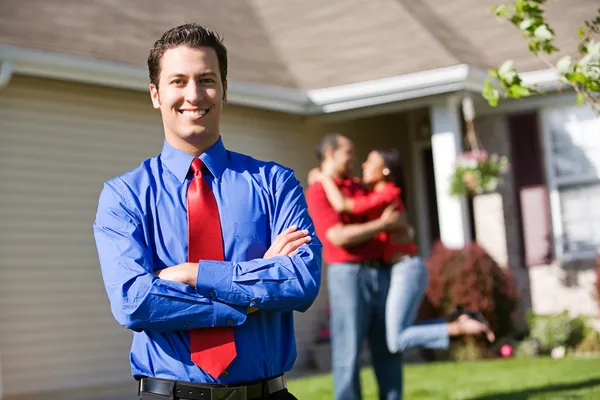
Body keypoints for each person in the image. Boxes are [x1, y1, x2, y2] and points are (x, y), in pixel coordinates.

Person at [93, 23, 321, 400]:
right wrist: (244, 301)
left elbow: (300, 280)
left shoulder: (275, 183)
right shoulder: (125, 196)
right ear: (155, 94)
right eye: (178, 81)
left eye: (206, 80)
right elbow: (134, 301)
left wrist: (193, 274)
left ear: (225, 90)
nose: (193, 94)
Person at [311, 147, 495, 396]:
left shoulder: (388, 192)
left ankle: (459, 326)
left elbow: (347, 206)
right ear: (330, 154)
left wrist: (323, 179)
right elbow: (339, 231)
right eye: (351, 153)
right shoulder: (368, 190)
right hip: (394, 269)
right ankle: (457, 324)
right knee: (390, 339)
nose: (362, 163)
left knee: (394, 340)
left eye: (369, 160)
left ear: (385, 170)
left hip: (403, 269)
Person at [306, 134, 406, 400]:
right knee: (347, 352)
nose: (354, 158)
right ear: (330, 154)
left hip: (382, 271)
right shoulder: (318, 191)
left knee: (388, 346)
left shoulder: (358, 187)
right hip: (348, 275)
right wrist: (381, 226)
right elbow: (338, 236)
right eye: (348, 152)